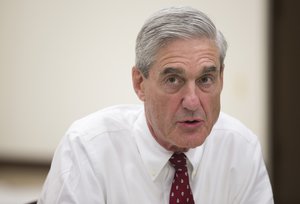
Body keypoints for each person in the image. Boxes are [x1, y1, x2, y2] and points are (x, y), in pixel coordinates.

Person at [38, 6, 274, 204]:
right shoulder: (87, 150)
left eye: (205, 80)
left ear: (221, 78)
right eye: (173, 80)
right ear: (140, 83)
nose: (192, 101)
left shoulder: (241, 149)